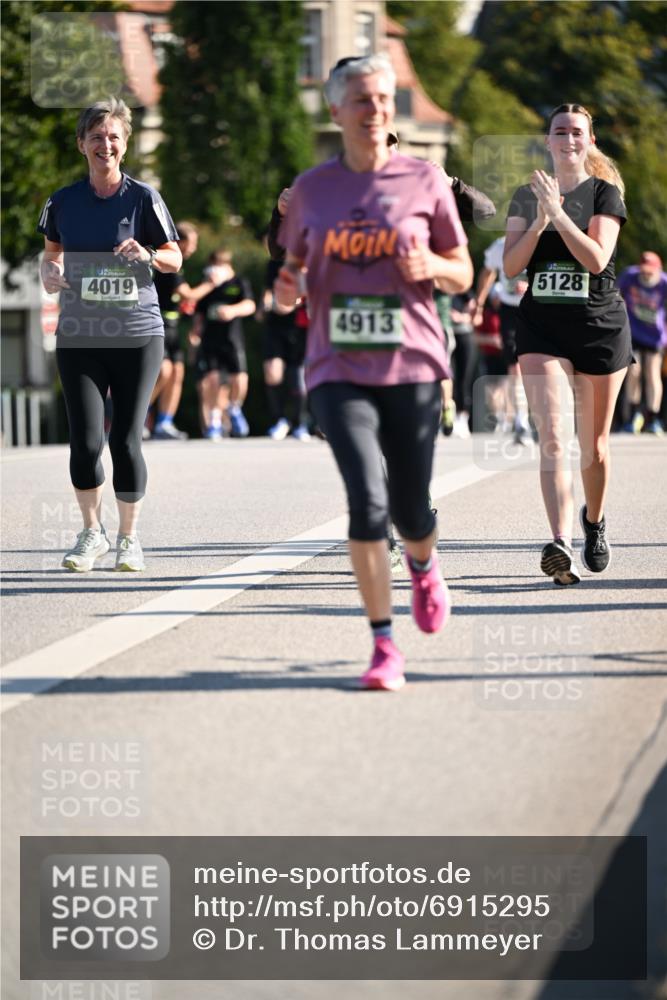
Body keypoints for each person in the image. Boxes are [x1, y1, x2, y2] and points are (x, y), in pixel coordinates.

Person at [275, 54, 472, 691]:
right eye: (361, 99)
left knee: (411, 509)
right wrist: (286, 285)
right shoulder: (312, 190)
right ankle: (384, 646)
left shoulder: (425, 181)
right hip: (336, 365)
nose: (375, 109)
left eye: (384, 98)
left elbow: (462, 271)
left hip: (412, 361)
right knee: (366, 501)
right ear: (336, 111)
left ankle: (424, 563)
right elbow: (289, 282)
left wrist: (432, 270)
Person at [38, 98, 181, 572]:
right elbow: (51, 253)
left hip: (138, 334)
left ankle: (129, 538)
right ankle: (91, 533)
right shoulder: (62, 201)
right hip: (80, 334)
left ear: (125, 143)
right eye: (97, 136)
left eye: (114, 136)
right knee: (84, 441)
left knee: (124, 440)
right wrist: (50, 273)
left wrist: (148, 254)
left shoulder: (144, 198)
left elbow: (175, 258)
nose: (106, 144)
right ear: (82, 144)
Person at [504, 103, 632, 585]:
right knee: (554, 439)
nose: (569, 138)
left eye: (577, 131)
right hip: (543, 329)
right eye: (560, 130)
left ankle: (593, 523)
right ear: (548, 140)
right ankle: (559, 543)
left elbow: (597, 259)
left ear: (589, 141)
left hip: (599, 327)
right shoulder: (525, 195)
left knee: (593, 449)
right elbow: (512, 267)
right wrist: (539, 217)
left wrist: (559, 213)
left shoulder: (605, 194)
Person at [190, 249, 256, 440]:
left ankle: (234, 408)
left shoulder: (239, 283)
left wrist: (233, 310)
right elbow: (199, 315)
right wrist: (195, 334)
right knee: (212, 380)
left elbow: (250, 305)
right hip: (210, 340)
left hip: (232, 340)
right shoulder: (208, 287)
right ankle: (214, 421)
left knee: (239, 379)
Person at [475, 236, 531, 443]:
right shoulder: (499, 246)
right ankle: (521, 421)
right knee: (514, 367)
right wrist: (479, 303)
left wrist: (531, 286)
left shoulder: (541, 239)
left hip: (538, 307)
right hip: (509, 311)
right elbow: (487, 272)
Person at [618, 251, 667, 436]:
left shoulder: (663, 282)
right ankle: (633, 416)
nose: (646, 275)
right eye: (644, 271)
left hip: (655, 335)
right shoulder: (629, 276)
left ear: (658, 270)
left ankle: (654, 418)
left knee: (652, 373)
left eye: (650, 272)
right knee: (634, 372)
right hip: (633, 332)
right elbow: (615, 295)